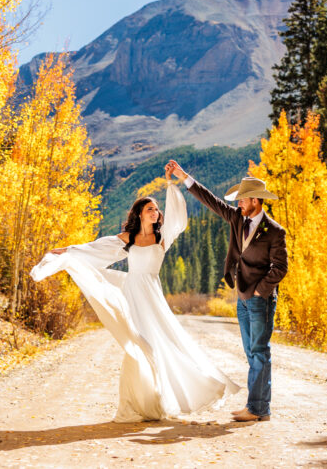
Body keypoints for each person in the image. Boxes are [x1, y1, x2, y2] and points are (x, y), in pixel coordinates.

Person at [29, 181, 240, 423]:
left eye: (157, 209)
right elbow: (96, 248)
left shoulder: (162, 237)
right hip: (131, 293)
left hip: (152, 295)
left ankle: (175, 394)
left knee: (164, 342)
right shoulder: (128, 238)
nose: (155, 212)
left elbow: (178, 219)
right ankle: (136, 403)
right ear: (139, 213)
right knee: (137, 347)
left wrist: (173, 185)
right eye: (150, 208)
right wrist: (67, 250)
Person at [164, 160, 287, 423]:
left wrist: (259, 292)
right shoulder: (236, 219)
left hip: (260, 300)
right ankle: (259, 408)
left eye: (242, 200)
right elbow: (211, 200)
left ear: (255, 200)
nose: (238, 204)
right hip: (242, 299)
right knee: (251, 352)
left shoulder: (275, 231)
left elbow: (280, 268)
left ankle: (257, 408)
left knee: (259, 351)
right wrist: (183, 176)